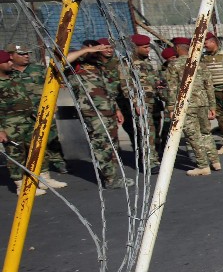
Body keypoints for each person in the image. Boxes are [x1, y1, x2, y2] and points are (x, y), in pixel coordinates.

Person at [72, 40, 133, 188]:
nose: (94, 52)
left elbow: (108, 90)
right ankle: (110, 179)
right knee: (101, 145)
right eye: (91, 49)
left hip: (108, 111)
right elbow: (60, 61)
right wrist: (86, 51)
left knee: (112, 145)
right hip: (92, 113)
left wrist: (117, 109)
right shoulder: (77, 66)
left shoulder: (99, 66)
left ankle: (113, 175)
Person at [6, 42, 69, 175]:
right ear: (11, 56)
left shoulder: (38, 69)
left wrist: (53, 103)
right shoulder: (8, 72)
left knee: (51, 137)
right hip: (20, 114)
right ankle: (32, 165)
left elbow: (54, 85)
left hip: (42, 109)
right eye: (21, 54)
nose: (26, 56)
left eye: (27, 54)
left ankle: (58, 161)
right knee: (27, 141)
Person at [162, 47, 220, 176]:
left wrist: (171, 107)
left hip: (187, 105)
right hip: (203, 103)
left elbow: (172, 88)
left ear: (178, 48)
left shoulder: (174, 64)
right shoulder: (200, 63)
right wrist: (212, 106)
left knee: (193, 135)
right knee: (206, 132)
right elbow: (209, 85)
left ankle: (203, 166)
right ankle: (215, 161)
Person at [124, 34, 163, 170]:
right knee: (147, 133)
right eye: (145, 47)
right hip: (141, 104)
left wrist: (158, 85)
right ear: (135, 47)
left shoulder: (147, 62)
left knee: (155, 133)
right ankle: (150, 162)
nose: (148, 50)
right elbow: (126, 86)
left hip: (154, 102)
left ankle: (155, 157)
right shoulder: (127, 64)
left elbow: (153, 80)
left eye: (148, 47)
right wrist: (136, 103)